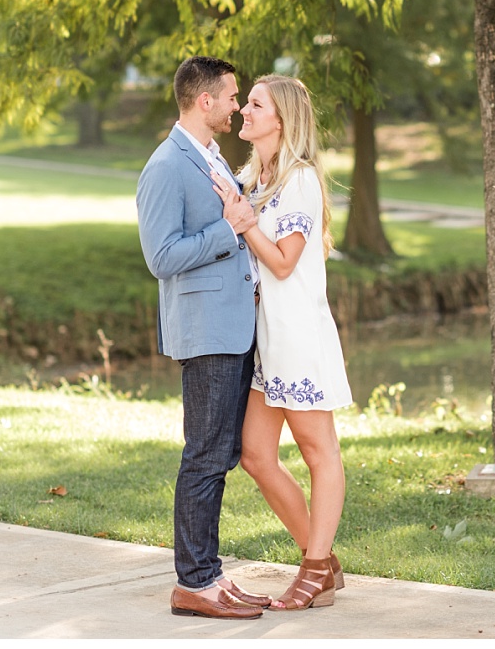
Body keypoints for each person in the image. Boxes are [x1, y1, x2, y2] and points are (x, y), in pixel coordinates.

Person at [136, 56, 273, 620]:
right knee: (204, 457)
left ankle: (211, 576)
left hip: (233, 326)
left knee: (219, 454)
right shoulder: (167, 166)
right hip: (206, 331)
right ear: (205, 101)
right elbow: (161, 257)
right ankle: (194, 583)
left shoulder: (211, 156)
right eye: (233, 96)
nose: (238, 106)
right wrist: (230, 229)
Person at [212, 74, 352, 611]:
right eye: (244, 101)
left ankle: (314, 569)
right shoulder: (253, 176)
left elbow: (284, 261)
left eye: (254, 103)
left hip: (298, 336)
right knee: (255, 454)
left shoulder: (298, 179)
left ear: (281, 119)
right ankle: (324, 559)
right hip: (265, 339)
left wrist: (244, 224)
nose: (243, 110)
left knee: (320, 452)